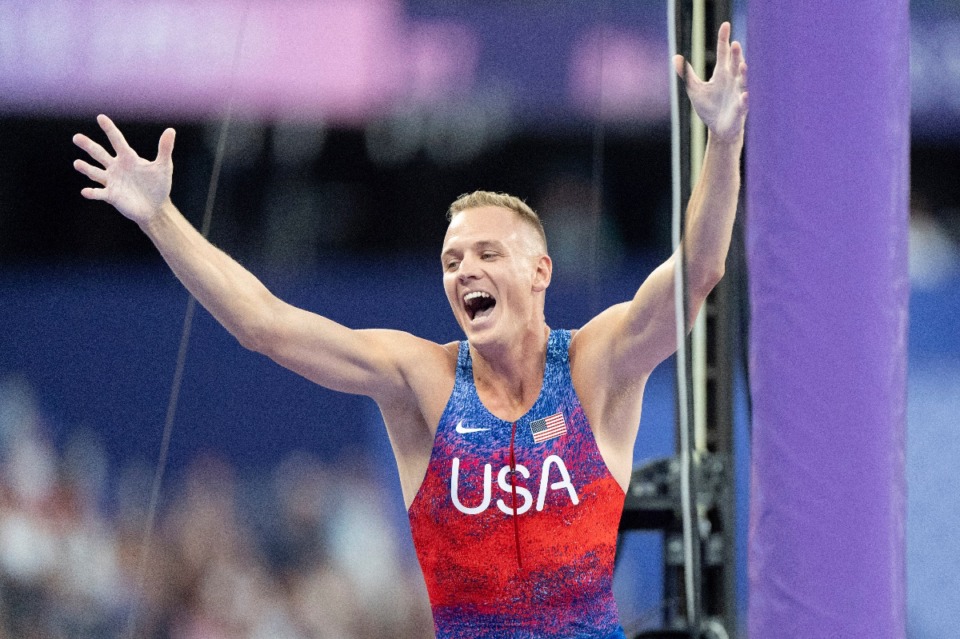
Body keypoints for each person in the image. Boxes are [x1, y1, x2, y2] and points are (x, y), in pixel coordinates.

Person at [73, 23, 747, 639]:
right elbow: (266, 325)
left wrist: (722, 140)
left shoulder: (596, 365)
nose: (465, 271)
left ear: (540, 269)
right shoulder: (421, 379)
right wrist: (160, 216)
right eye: (452, 260)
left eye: (487, 254)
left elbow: (698, 271)